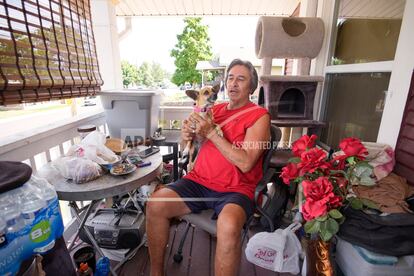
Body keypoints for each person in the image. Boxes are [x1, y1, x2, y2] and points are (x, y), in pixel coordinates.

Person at [146, 59, 271, 276]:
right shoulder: (215, 109)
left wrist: (211, 132)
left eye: (241, 79)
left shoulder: (259, 117)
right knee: (156, 204)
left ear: (251, 86)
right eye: (230, 78)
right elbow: (188, 145)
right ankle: (156, 273)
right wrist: (186, 136)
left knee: (229, 225)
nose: (233, 84)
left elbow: (246, 162)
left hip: (235, 188)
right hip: (198, 181)